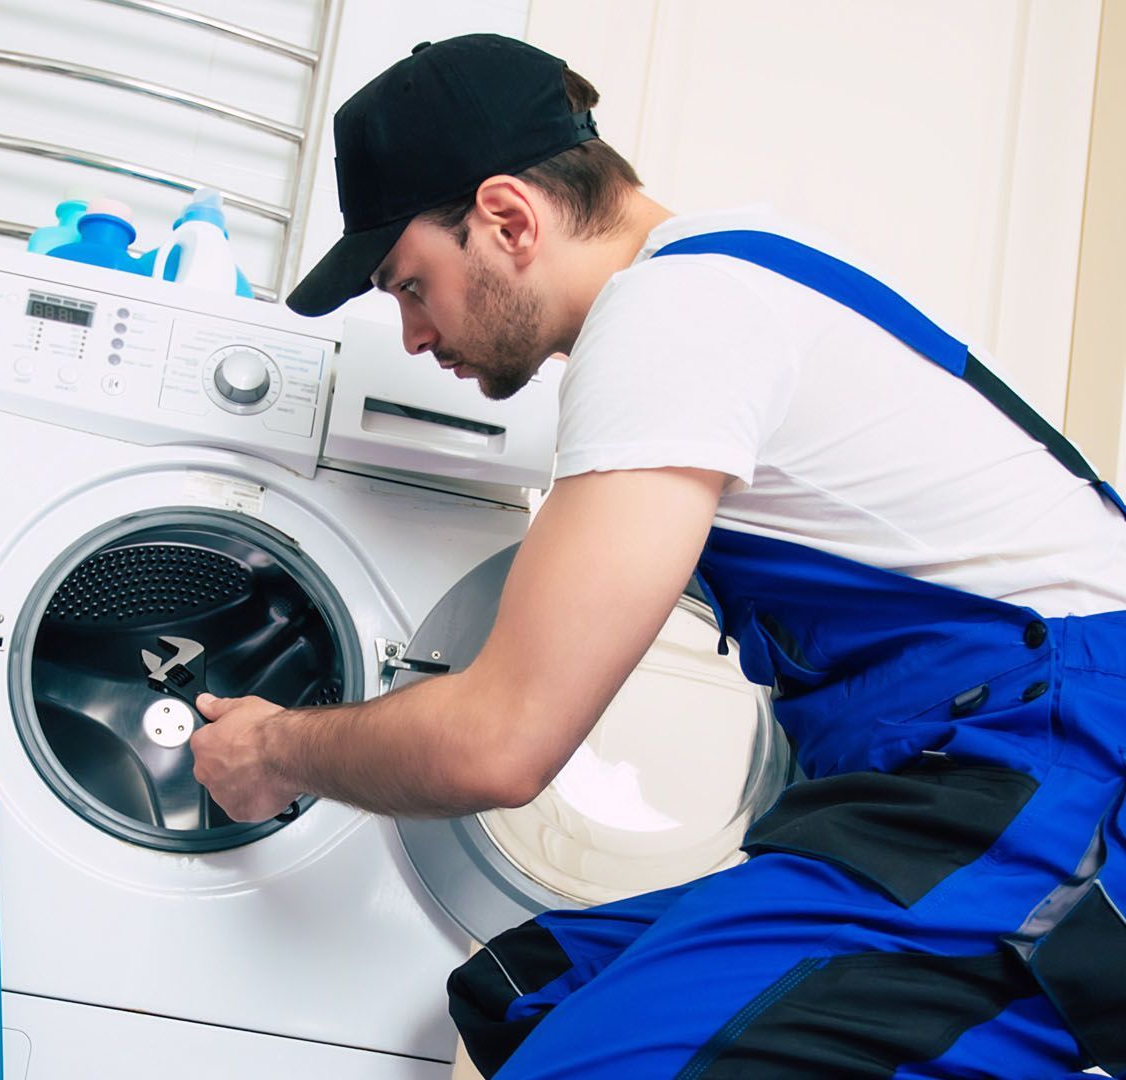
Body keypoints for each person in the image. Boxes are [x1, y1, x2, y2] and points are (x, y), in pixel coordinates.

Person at [186, 33, 1126, 1077]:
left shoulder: (673, 316)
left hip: (1052, 770)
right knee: (527, 997)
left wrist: (276, 751)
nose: (413, 336)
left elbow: (501, 742)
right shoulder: (724, 269)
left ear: (507, 218)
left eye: (411, 285)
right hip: (966, 771)